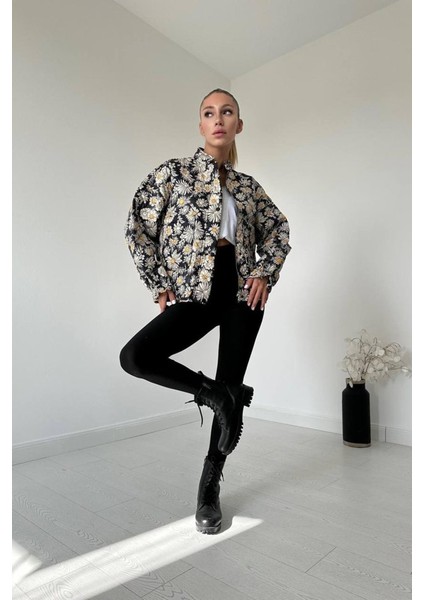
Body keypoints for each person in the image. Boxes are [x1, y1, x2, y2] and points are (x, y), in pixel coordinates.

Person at [119, 88, 291, 534]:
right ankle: (214, 394)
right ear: (200, 125)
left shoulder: (248, 188)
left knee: (231, 384)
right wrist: (158, 280)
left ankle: (209, 488)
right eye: (209, 113)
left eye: (227, 112)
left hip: (241, 293)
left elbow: (279, 230)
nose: (218, 119)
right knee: (136, 357)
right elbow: (137, 227)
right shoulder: (172, 174)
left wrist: (264, 273)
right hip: (196, 291)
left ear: (238, 124)